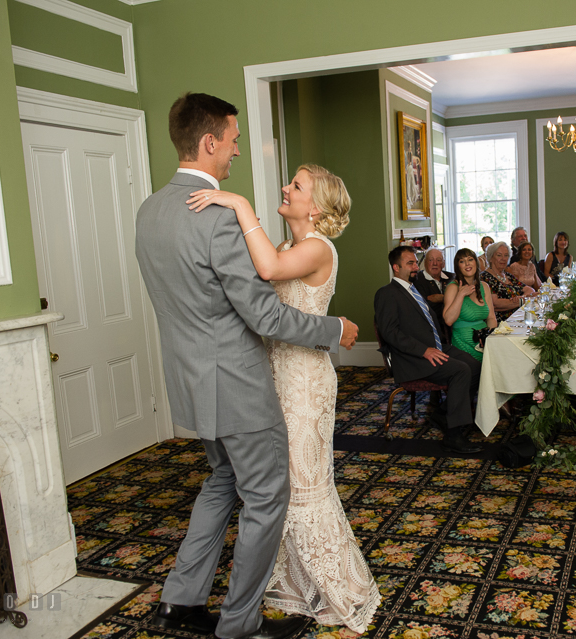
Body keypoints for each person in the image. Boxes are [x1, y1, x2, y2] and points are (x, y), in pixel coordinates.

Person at [136, 93, 357, 639]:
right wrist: (335, 330)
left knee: (220, 482)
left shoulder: (150, 210)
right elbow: (266, 317)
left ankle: (178, 602)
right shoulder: (216, 219)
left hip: (190, 383)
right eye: (233, 141)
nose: (237, 151)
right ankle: (239, 623)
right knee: (265, 497)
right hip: (238, 385)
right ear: (210, 142)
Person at [187, 163, 380, 634]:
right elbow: (257, 292)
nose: (285, 188)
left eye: (296, 185)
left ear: (315, 207)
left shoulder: (317, 248)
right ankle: (296, 583)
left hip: (305, 380)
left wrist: (237, 203)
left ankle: (341, 588)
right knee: (281, 484)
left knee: (305, 483)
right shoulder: (289, 246)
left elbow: (268, 272)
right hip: (274, 373)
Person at [375, 247, 484, 454]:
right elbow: (390, 333)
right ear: (396, 267)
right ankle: (453, 435)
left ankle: (443, 414)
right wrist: (424, 350)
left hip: (437, 347)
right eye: (410, 264)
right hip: (413, 358)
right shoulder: (387, 294)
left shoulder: (413, 289)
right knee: (460, 370)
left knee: (476, 366)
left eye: (416, 263)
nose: (416, 267)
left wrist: (437, 346)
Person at [443, 248, 496, 361]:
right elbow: (448, 320)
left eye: (470, 259)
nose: (467, 264)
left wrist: (489, 338)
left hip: (483, 342)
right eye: (462, 261)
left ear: (476, 263)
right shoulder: (453, 288)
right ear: (458, 267)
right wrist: (461, 295)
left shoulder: (484, 287)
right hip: (463, 345)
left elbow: (491, 317)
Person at [481, 241, 535, 322]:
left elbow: (530, 290)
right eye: (499, 255)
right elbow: (495, 303)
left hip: (517, 318)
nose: (503, 258)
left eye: (506, 255)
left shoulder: (508, 276)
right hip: (501, 323)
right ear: (491, 258)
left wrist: (523, 297)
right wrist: (522, 301)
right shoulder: (485, 277)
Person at [413, 248, 454, 333]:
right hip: (431, 329)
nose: (435, 263)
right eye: (431, 260)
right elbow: (426, 307)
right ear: (425, 263)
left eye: (438, 260)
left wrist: (443, 298)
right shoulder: (417, 280)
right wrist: (451, 300)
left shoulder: (452, 277)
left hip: (454, 324)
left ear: (443, 264)